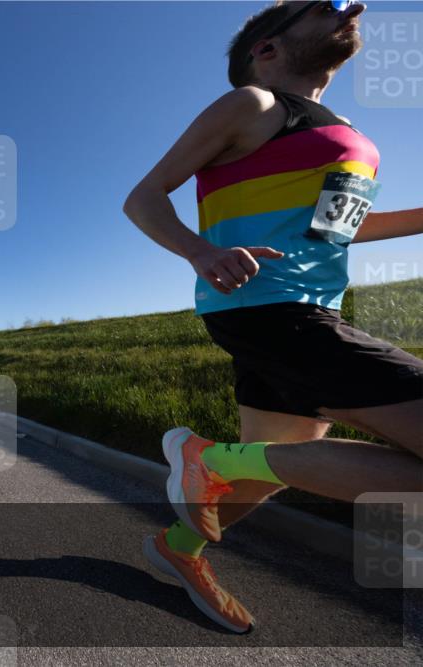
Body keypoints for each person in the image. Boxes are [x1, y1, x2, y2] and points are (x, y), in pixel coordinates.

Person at [124, 0, 423, 634]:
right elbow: (143, 197)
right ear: (267, 49)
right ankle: (211, 459)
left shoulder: (346, 133)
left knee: (271, 467)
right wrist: (201, 251)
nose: (354, 6)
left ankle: (181, 546)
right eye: (329, 5)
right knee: (258, 463)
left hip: (303, 308)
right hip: (269, 308)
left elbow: (337, 230)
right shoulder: (255, 105)